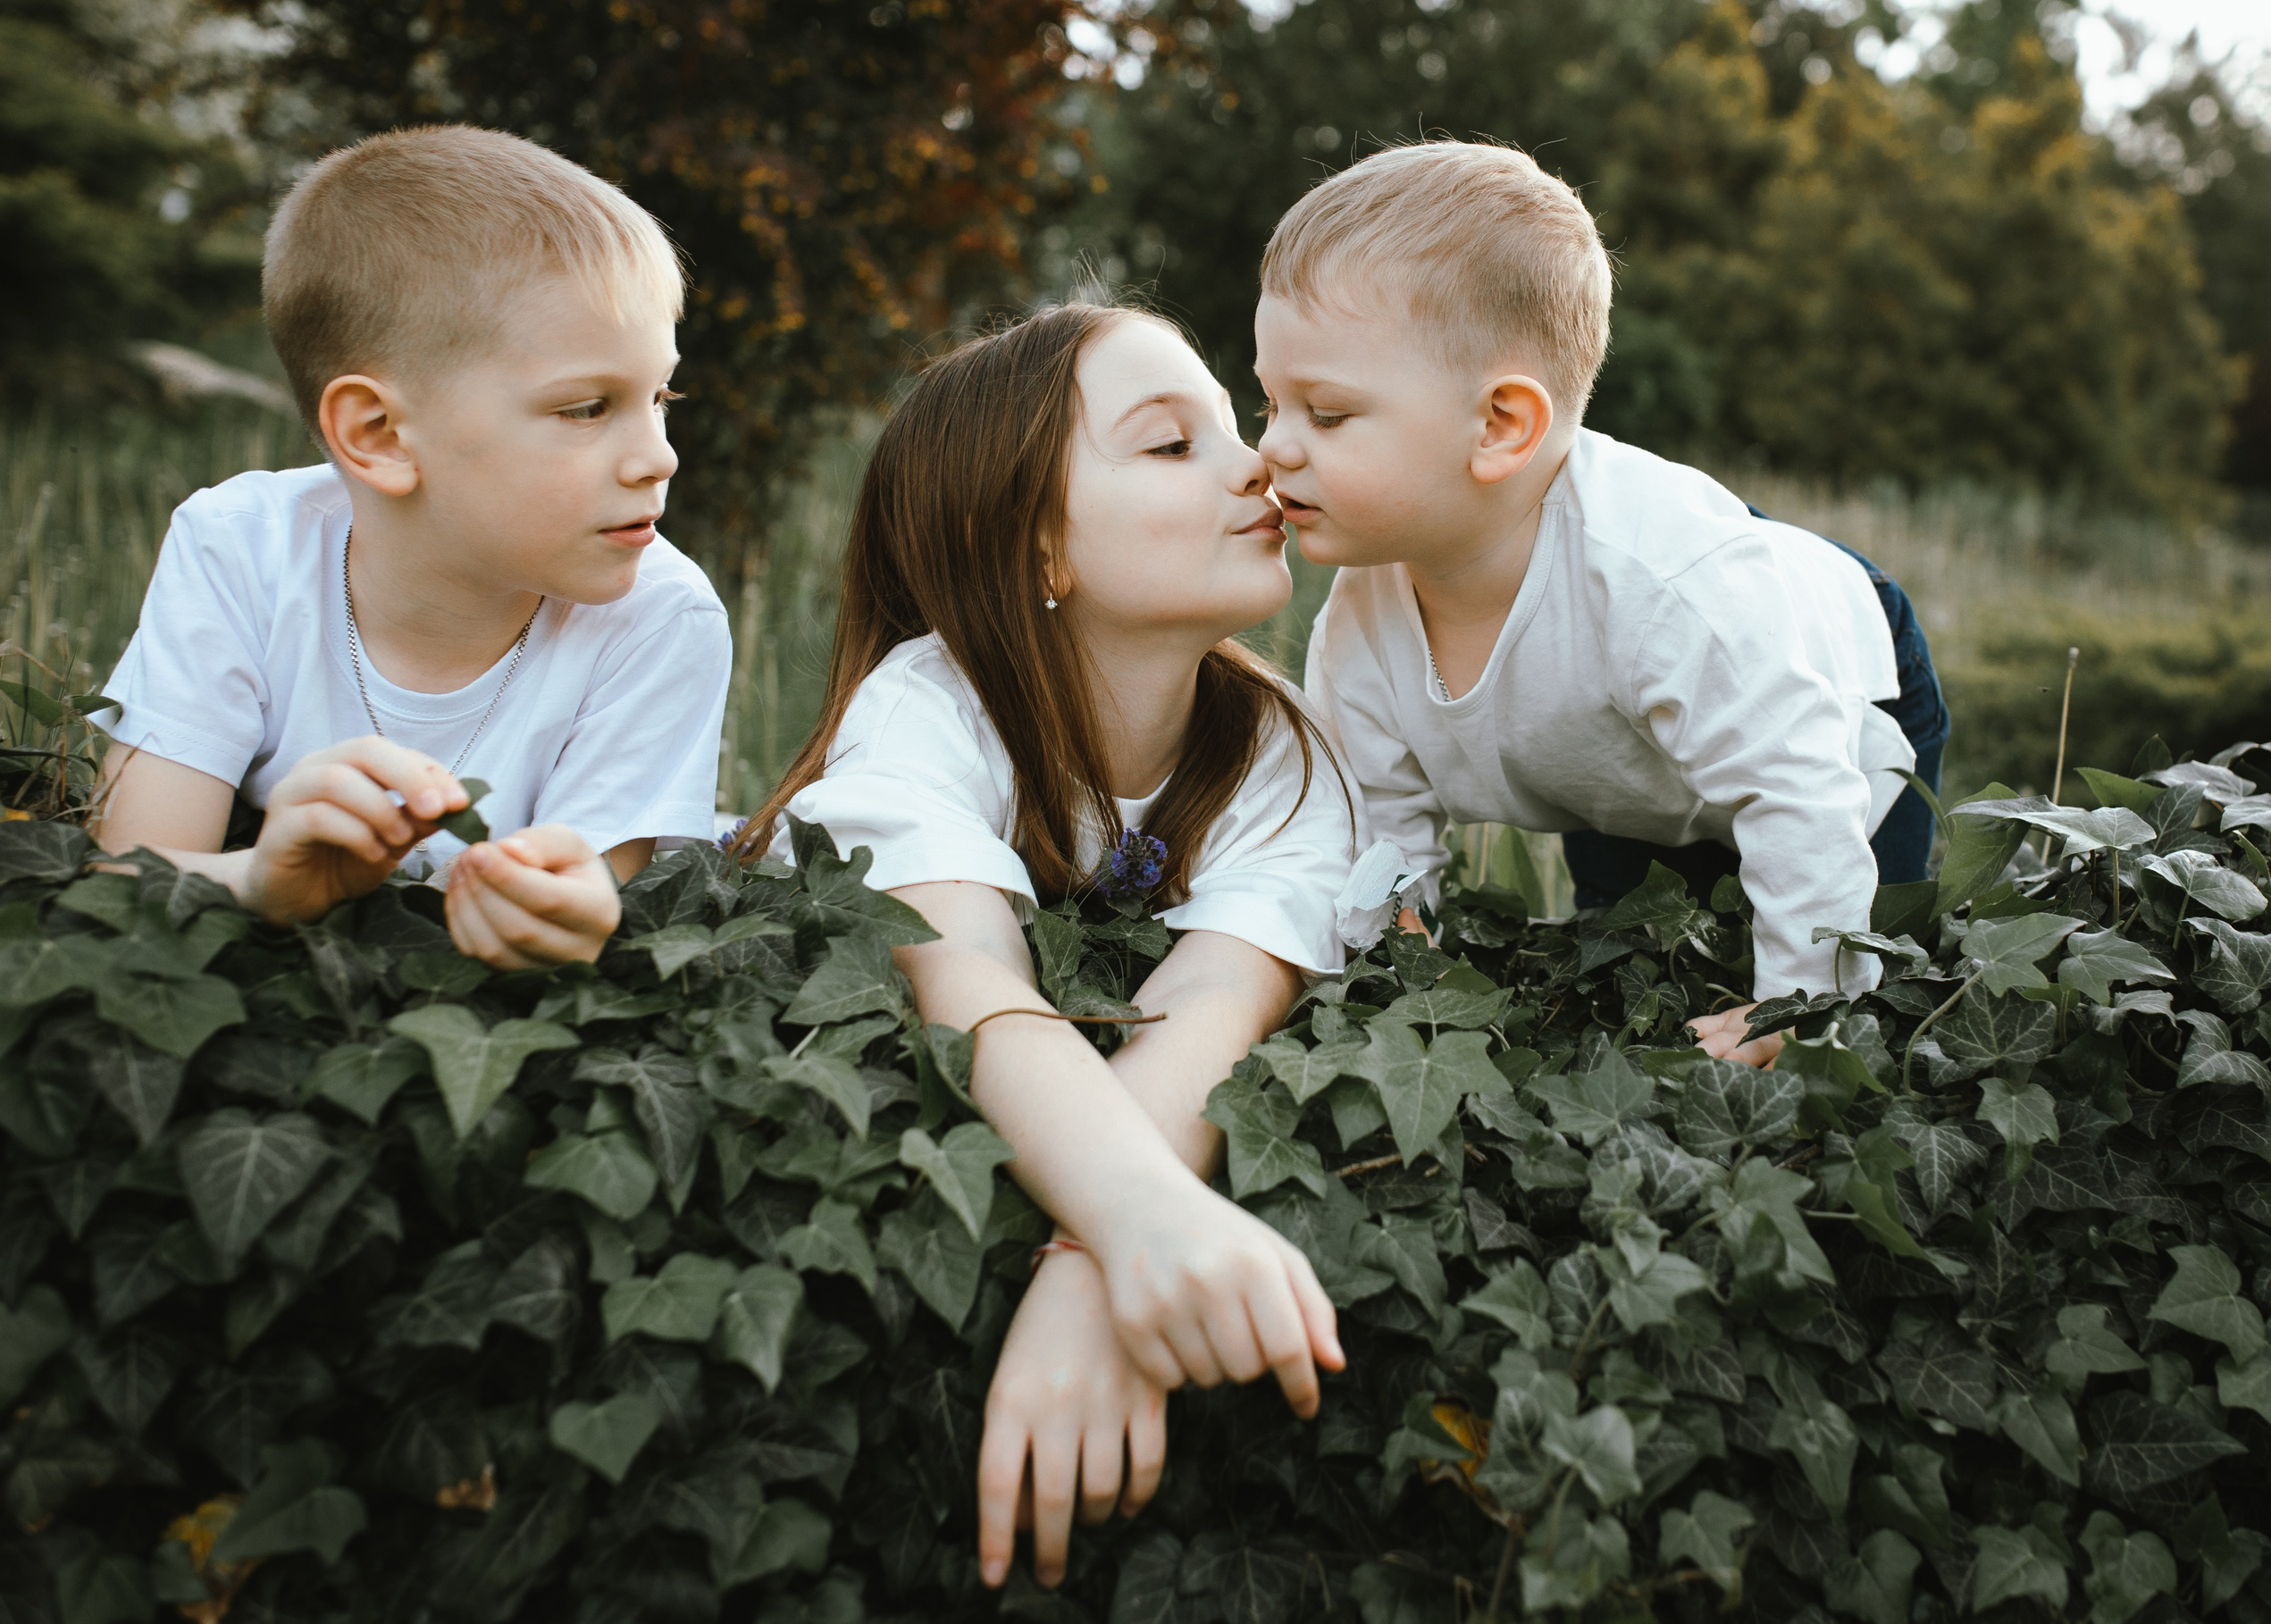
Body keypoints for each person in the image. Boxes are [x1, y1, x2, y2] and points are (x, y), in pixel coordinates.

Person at [735, 302, 1357, 1590]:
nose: (1257, 461)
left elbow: (1215, 1003)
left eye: (1229, 425)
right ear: (1034, 546)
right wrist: (1134, 1212)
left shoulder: (1279, 749)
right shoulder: (923, 712)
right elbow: (970, 983)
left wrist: (1093, 1266)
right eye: (1170, 444)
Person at [1254, 139, 1950, 1065]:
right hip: (1618, 766)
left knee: (1856, 988)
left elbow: (1799, 797)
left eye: (1326, 414)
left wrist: (1790, 1011)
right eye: (1268, 405)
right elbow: (1380, 832)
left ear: (1500, 426)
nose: (1275, 449)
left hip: (1835, 692)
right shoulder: (1360, 623)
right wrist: (1394, 966)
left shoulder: (1664, 589)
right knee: (1633, 974)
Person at [90, 125, 733, 968]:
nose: (661, 455)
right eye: (586, 408)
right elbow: (125, 875)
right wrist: (257, 884)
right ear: (382, 435)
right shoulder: (239, 548)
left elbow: (574, 910)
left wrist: (563, 911)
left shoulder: (660, 617)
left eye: (660, 394)